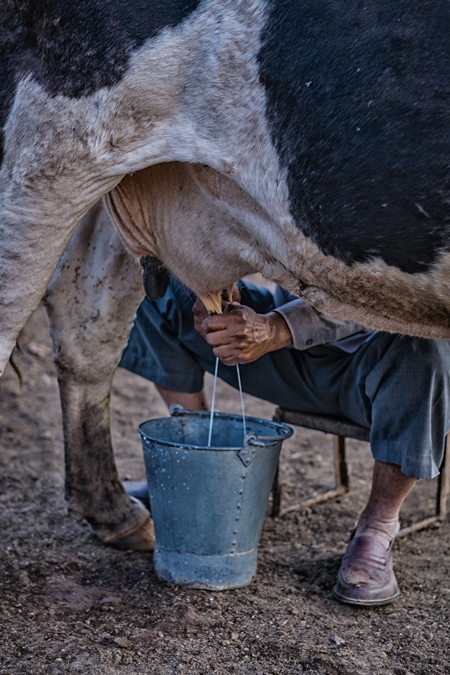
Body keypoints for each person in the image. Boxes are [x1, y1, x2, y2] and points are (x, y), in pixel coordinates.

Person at [119, 277, 450, 606]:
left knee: (427, 345)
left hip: (375, 367)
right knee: (162, 292)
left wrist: (274, 330)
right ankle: (196, 468)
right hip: (288, 351)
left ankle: (377, 528)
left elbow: (388, 298)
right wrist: (216, 285)